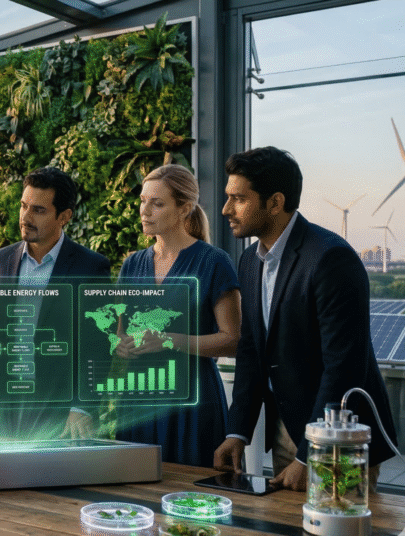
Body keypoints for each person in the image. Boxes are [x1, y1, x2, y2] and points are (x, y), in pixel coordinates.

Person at [213, 146, 398, 491]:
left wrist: (312, 453)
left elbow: (344, 366)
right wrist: (236, 431)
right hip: (288, 428)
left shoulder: (332, 259)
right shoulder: (250, 261)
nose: (226, 209)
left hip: (338, 439)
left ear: (275, 202)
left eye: (238, 199)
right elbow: (252, 352)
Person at [0, 166, 111, 440]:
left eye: (38, 210)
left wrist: (82, 406)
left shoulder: (91, 267)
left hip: (62, 415)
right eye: (23, 206)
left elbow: (97, 345)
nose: (25, 217)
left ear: (64, 217)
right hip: (5, 411)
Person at [113, 164, 241, 467]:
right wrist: (120, 344)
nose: (145, 210)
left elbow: (234, 341)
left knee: (197, 500)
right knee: (133, 498)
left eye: (157, 203)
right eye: (143, 201)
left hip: (193, 405)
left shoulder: (214, 262)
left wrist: (169, 341)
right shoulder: (131, 265)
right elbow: (118, 332)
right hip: (137, 402)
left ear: (184, 208)